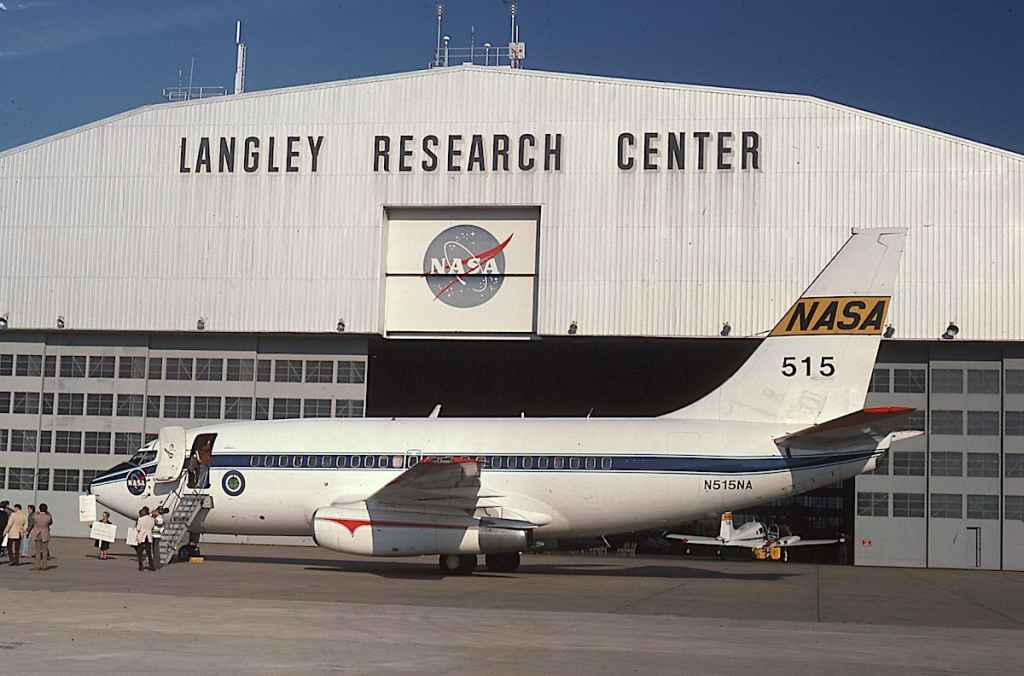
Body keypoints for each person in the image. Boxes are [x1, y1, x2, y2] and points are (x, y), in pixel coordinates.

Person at [29, 503, 52, 571]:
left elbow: (33, 521)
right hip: (45, 533)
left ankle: (37, 565)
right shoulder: (48, 517)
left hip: (37, 533)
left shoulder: (36, 516)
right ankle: (44, 566)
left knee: (37, 551)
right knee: (44, 551)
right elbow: (50, 523)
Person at [134, 507, 155, 571]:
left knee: (140, 552)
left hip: (142, 535)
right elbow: (152, 527)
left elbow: (138, 528)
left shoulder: (140, 519)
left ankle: (141, 566)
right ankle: (151, 566)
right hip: (148, 536)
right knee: (149, 552)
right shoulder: (152, 519)